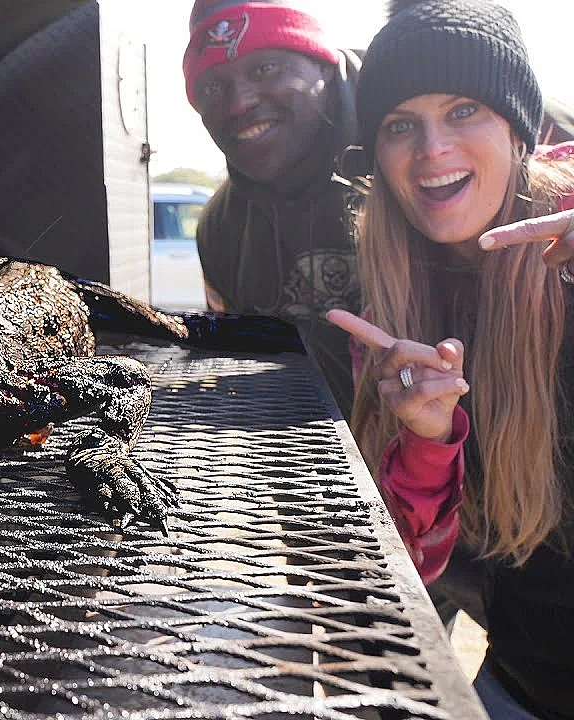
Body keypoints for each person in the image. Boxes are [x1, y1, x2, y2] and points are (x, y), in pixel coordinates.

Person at [326, 1, 574, 717]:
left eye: (464, 109)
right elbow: (411, 567)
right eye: (400, 124)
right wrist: (428, 442)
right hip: (516, 680)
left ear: (517, 130)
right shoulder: (387, 307)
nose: (431, 149)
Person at [182, 0, 363, 417]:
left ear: (323, 65)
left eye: (265, 68)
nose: (239, 102)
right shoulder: (219, 227)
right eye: (212, 87)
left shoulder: (416, 163)